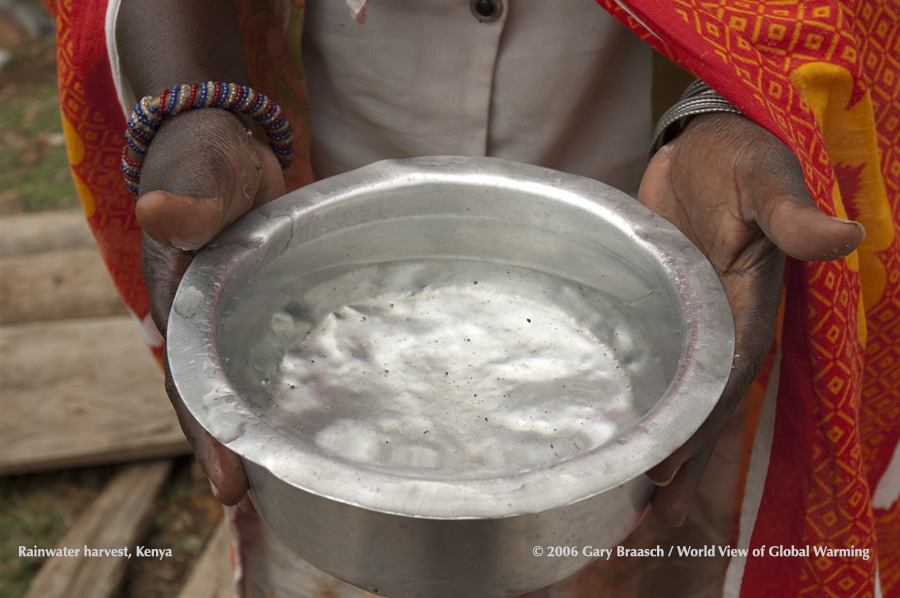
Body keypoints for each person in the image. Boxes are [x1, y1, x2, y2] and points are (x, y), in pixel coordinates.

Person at [41, 0, 898, 596]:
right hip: (302, 182)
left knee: (646, 561)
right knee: (335, 562)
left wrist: (732, 99)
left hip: (658, 196)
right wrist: (200, 103)